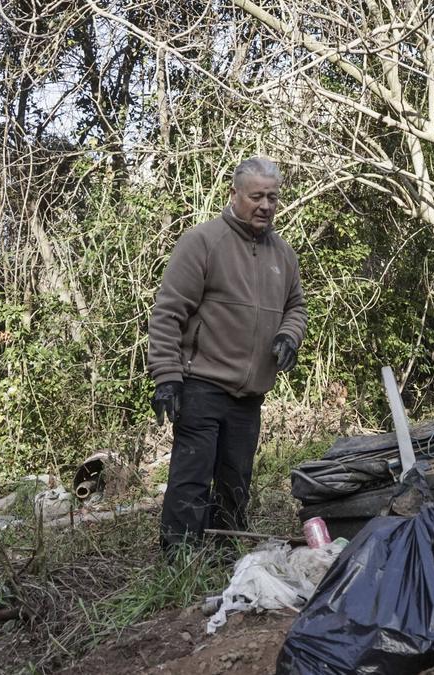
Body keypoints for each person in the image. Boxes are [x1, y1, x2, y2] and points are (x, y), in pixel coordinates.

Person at [147, 156, 307, 553]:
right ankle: (180, 562)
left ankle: (225, 557)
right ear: (234, 194)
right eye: (256, 196)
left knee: (237, 480)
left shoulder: (283, 254)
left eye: (272, 197)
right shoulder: (203, 241)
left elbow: (296, 308)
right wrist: (167, 377)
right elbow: (168, 312)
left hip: (250, 393)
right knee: (192, 476)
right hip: (202, 382)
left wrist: (289, 335)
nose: (265, 206)